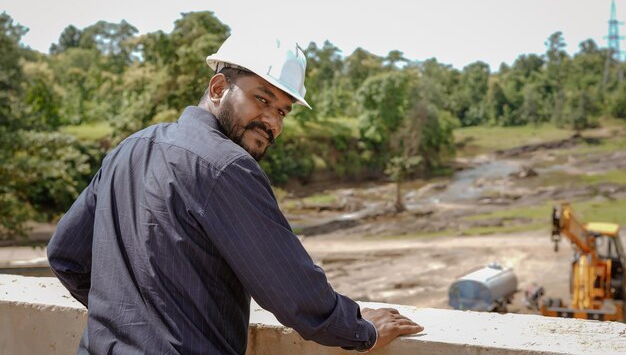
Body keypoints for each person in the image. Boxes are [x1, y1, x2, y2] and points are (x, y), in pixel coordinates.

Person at [47, 33, 423, 354]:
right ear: (217, 88)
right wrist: (363, 330)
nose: (273, 122)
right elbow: (292, 291)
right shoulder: (227, 166)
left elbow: (66, 255)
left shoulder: (130, 148)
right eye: (262, 99)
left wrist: (127, 317)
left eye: (283, 111)